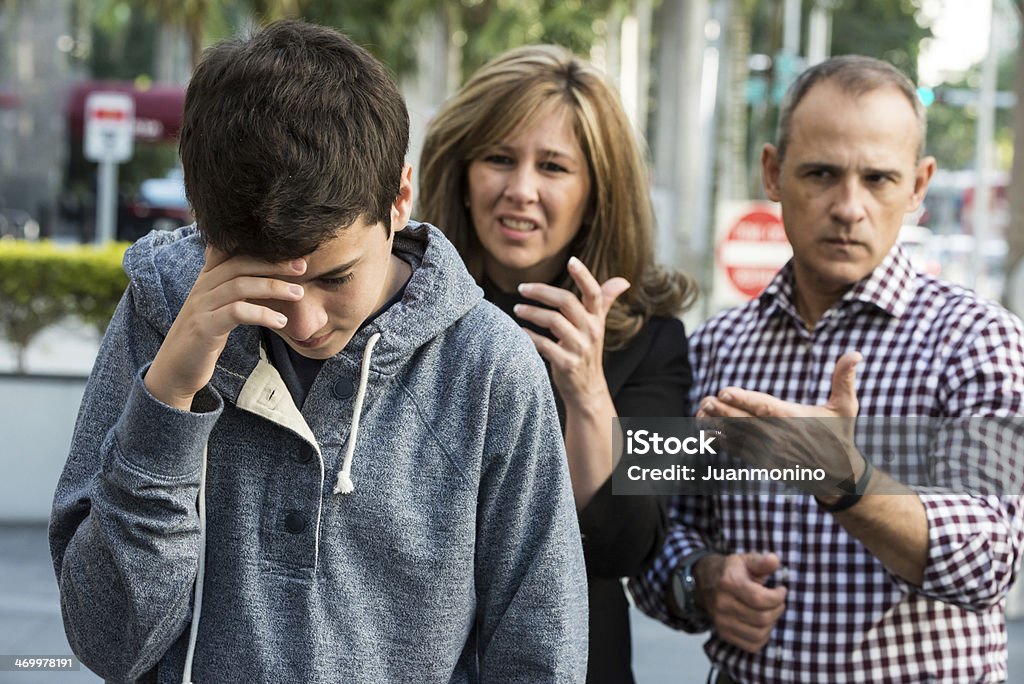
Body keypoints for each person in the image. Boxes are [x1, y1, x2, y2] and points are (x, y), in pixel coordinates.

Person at [49, 20, 588, 683]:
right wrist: (167, 401)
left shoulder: (490, 366)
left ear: (399, 197)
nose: (304, 321)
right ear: (207, 226)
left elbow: (541, 652)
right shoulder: (160, 321)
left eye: (335, 278)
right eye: (264, 283)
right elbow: (109, 645)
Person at [629, 55, 1024, 683]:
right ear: (772, 172)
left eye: (879, 179)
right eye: (821, 173)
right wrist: (703, 580)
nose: (848, 206)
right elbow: (649, 544)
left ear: (919, 186)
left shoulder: (978, 340)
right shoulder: (710, 349)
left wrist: (844, 477)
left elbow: (989, 561)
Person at [418, 45, 697, 684]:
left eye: (553, 167)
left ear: (596, 190)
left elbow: (625, 546)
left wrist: (587, 393)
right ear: (461, 170)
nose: (521, 191)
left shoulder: (657, 342)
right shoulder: (400, 306)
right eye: (498, 159)